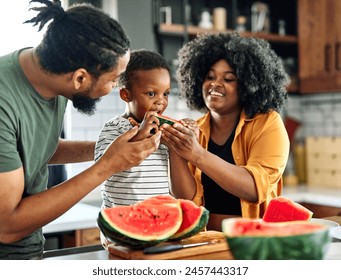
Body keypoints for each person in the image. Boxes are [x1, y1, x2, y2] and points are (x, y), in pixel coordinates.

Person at [0, 0, 161, 260]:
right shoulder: (3, 103)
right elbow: (6, 227)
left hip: (29, 249)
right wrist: (108, 165)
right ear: (80, 78)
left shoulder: (52, 72)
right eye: (112, 80)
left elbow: (34, 148)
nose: (113, 88)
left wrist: (109, 148)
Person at [161, 32, 290, 231]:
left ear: (248, 85)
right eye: (209, 76)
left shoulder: (267, 123)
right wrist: (175, 148)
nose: (215, 83)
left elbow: (254, 189)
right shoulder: (197, 129)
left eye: (228, 79)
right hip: (205, 240)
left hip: (253, 242)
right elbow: (187, 200)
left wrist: (197, 154)